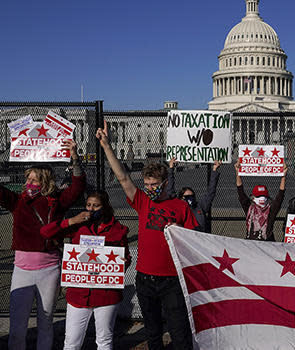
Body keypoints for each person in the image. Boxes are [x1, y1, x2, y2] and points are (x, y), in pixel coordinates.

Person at [96, 121, 198, 350]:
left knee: (179, 331)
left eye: (154, 184)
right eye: (146, 183)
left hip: (172, 279)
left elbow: (193, 240)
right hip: (145, 277)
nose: (149, 187)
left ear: (165, 183)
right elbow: (123, 178)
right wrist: (107, 147)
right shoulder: (142, 201)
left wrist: (178, 231)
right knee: (153, 332)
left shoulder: (180, 207)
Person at [0, 140, 86, 350]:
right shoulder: (17, 201)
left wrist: (74, 157)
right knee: (17, 325)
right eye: (28, 179)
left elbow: (77, 187)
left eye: (35, 180)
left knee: (45, 322)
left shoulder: (57, 201)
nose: (30, 183)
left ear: (45, 182)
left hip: (49, 269)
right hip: (21, 270)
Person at [40, 190, 130, 350]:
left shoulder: (118, 229)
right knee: (71, 342)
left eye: (96, 206)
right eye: (88, 205)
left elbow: (126, 257)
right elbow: (45, 232)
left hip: (106, 295)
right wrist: (71, 220)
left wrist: (123, 262)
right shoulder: (78, 226)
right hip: (79, 295)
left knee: (104, 341)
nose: (91, 209)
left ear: (105, 207)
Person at [235, 160, 287, 241]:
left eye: (264, 196)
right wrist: (238, 174)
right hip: (251, 244)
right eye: (259, 196)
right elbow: (240, 192)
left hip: (267, 244)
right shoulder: (249, 208)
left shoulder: (271, 210)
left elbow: (280, 196)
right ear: (253, 197)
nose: (262, 198)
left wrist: (283, 176)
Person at [167, 158, 222, 233]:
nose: (190, 199)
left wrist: (214, 170)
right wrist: (171, 168)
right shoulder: (178, 207)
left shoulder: (200, 207)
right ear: (181, 198)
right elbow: (170, 190)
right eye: (186, 197)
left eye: (191, 196)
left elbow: (210, 192)